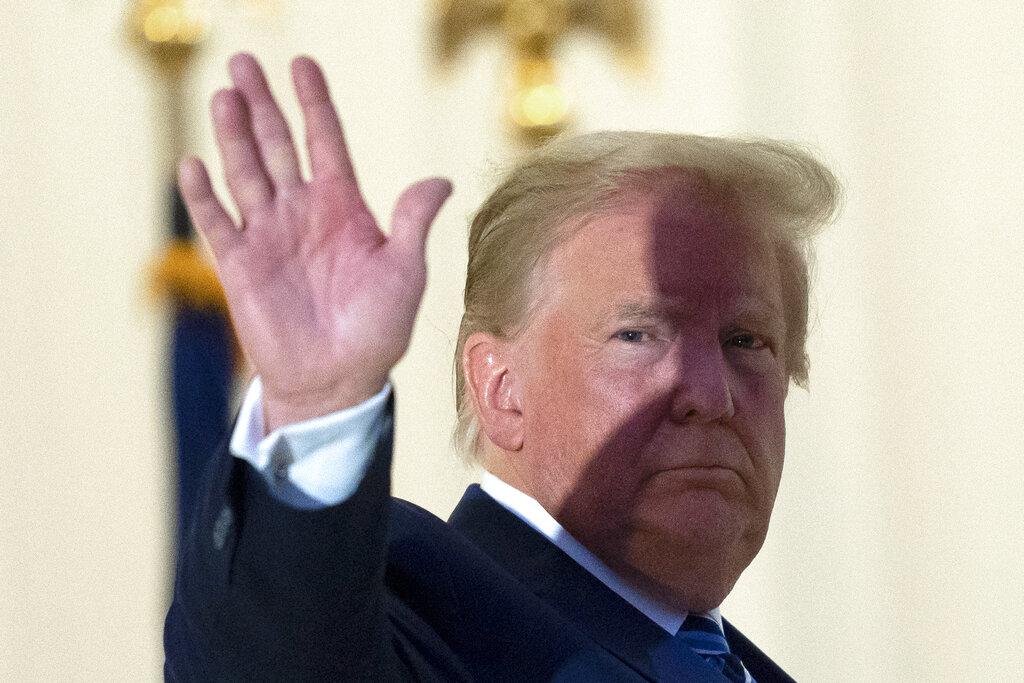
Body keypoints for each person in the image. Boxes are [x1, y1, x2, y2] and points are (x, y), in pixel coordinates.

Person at [164, 52, 838, 682]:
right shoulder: (416, 614)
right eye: (640, 334)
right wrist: (318, 403)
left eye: (747, 341)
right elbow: (280, 653)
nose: (709, 392)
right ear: (500, 389)